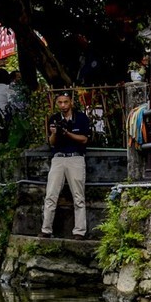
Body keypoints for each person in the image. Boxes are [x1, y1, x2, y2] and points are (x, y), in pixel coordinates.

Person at [41, 93, 91, 238]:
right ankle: (46, 229)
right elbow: (51, 142)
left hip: (75, 157)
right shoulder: (54, 119)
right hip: (58, 158)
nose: (63, 105)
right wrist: (56, 132)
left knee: (78, 196)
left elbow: (83, 139)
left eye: (65, 102)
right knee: (51, 194)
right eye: (60, 103)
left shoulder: (80, 118)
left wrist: (67, 133)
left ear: (71, 102)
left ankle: (79, 231)